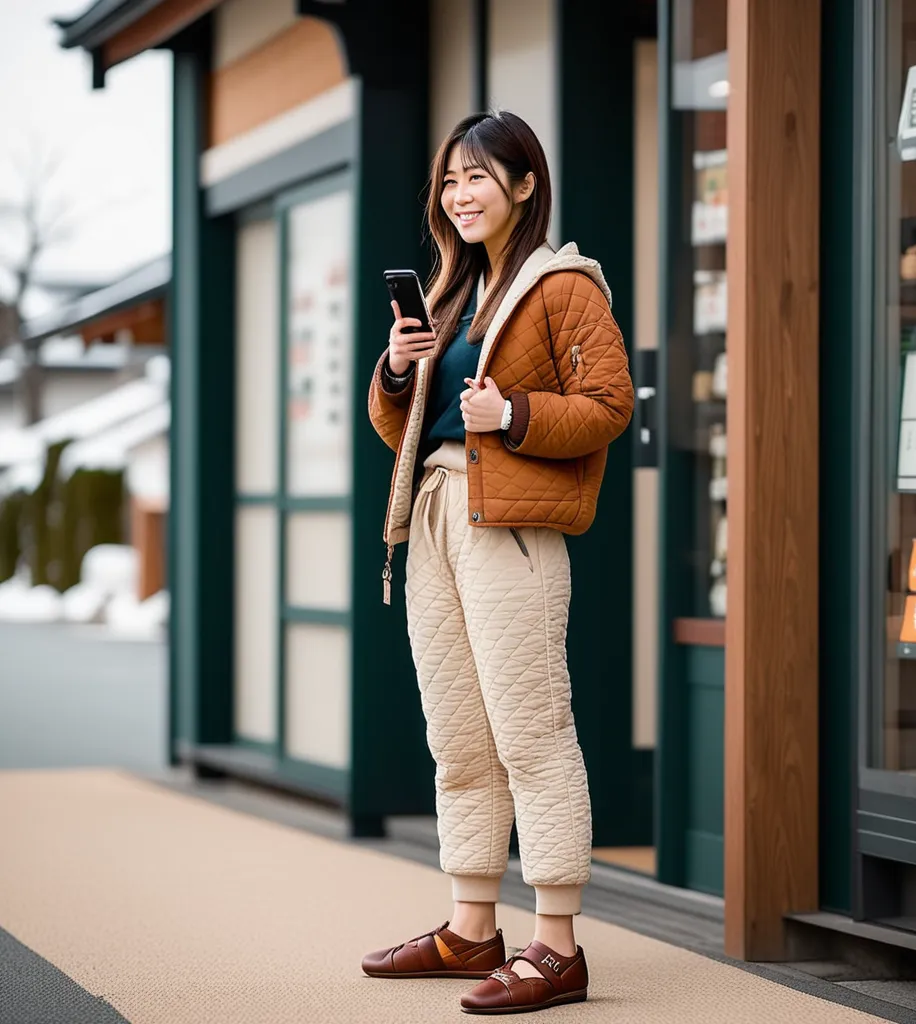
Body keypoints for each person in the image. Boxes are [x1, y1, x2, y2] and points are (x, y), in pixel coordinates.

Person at [364, 110, 633, 1016]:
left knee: (531, 732)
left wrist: (511, 416)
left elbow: (609, 405)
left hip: (511, 528)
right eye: (450, 180)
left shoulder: (563, 286)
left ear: (524, 184)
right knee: (458, 739)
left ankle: (556, 945)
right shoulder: (448, 293)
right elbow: (404, 430)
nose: (460, 194)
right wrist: (400, 374)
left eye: (478, 176)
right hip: (434, 516)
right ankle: (470, 926)